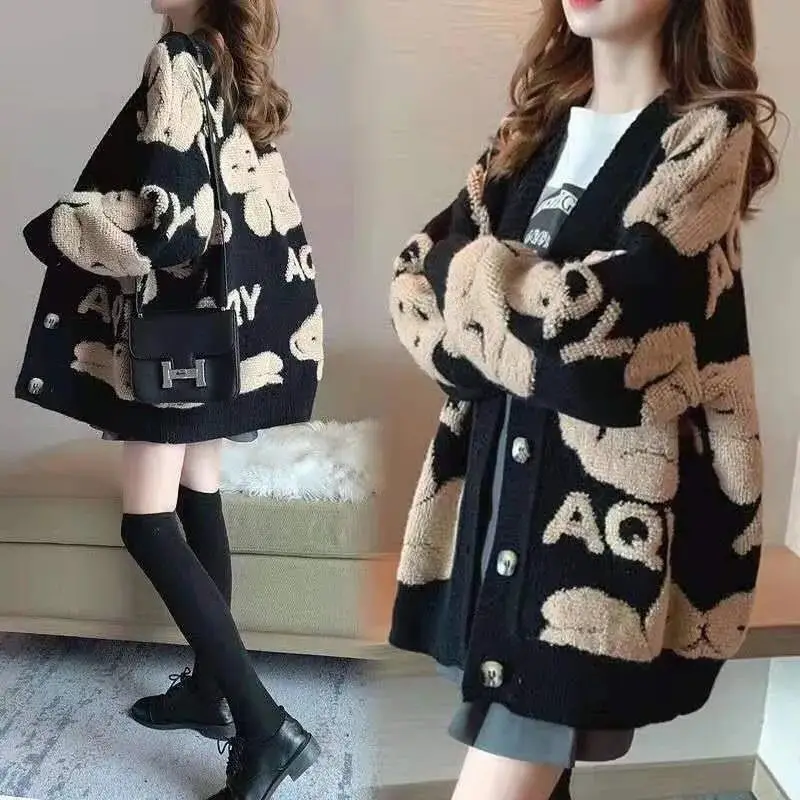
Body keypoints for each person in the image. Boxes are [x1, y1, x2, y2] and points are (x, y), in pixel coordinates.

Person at [387, 1, 778, 798]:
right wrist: (527, 307)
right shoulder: (528, 135)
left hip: (589, 556)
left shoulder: (705, 138)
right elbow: (413, 286)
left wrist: (477, 282)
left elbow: (613, 342)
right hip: (491, 522)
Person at [17, 1, 323, 797]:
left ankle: (265, 725)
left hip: (173, 338)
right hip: (221, 332)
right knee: (197, 496)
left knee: (147, 523)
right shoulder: (222, 60)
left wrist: (66, 224)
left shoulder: (180, 59)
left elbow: (175, 224)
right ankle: (210, 693)